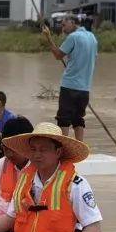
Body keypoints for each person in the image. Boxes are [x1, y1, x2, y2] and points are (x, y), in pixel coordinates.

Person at [0, 122, 102, 232]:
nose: (37, 155)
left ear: (58, 152)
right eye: (33, 149)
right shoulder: (24, 180)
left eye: (43, 150)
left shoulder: (75, 184)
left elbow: (94, 227)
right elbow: (10, 218)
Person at [42, 14, 98, 142]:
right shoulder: (92, 37)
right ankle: (80, 147)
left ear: (73, 22)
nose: (62, 28)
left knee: (63, 119)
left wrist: (48, 37)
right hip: (85, 88)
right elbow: (93, 58)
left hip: (69, 85)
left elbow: (58, 55)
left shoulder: (73, 37)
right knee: (78, 118)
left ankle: (63, 148)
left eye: (64, 25)